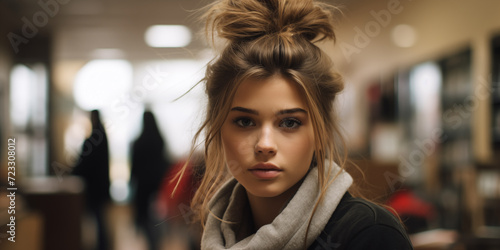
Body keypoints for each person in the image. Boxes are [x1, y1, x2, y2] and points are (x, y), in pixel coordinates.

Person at [176, 0, 414, 249]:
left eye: (289, 122)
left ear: (321, 132)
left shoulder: (369, 235)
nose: (265, 145)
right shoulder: (214, 232)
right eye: (245, 121)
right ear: (218, 128)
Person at [130, 110, 171, 250]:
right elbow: (165, 163)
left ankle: (151, 244)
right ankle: (157, 243)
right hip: (158, 186)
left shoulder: (137, 143)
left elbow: (134, 168)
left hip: (142, 188)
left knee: (144, 220)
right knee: (158, 218)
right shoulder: (160, 141)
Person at [72, 109, 110, 250]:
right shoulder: (103, 139)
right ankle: (102, 245)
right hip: (101, 188)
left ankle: (98, 245)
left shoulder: (93, 140)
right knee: (100, 220)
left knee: (95, 220)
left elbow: (83, 164)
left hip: (93, 189)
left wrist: (72, 172)